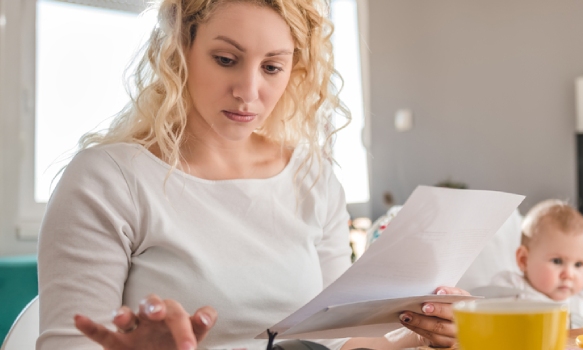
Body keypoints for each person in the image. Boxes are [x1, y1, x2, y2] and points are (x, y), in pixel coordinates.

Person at [36, 0, 465, 349]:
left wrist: (420, 332)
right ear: (180, 51)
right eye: (226, 59)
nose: (248, 91)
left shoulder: (312, 177)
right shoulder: (109, 180)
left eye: (272, 67)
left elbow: (336, 341)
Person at [488, 199, 583, 328]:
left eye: (578, 264)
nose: (569, 274)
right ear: (524, 260)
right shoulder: (511, 287)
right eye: (557, 261)